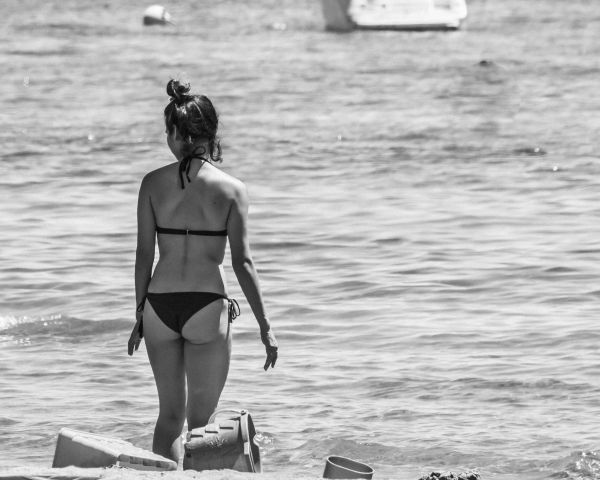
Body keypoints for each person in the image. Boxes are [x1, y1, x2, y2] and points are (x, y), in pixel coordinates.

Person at [127, 79, 278, 462]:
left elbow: (144, 255)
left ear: (178, 134)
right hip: (206, 307)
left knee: (168, 417)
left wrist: (140, 313)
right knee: (201, 424)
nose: (167, 139)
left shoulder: (151, 184)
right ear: (210, 134)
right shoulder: (232, 189)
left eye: (167, 132)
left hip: (160, 306)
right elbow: (243, 263)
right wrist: (265, 325)